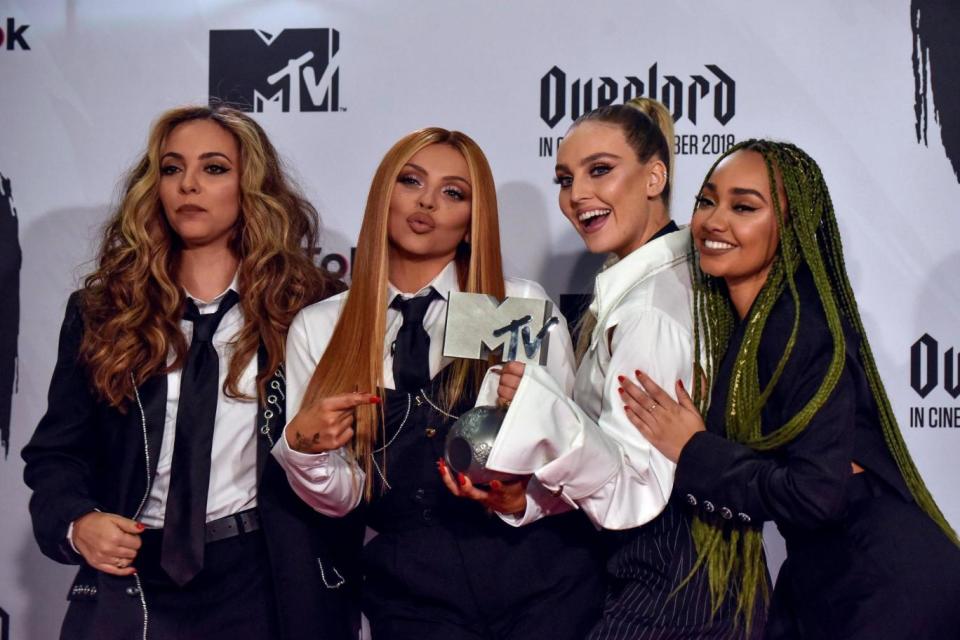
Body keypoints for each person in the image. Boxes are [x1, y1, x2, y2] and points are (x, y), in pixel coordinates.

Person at [22, 105, 359, 640]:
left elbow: (348, 464)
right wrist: (77, 522)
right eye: (172, 168)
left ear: (251, 185)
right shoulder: (103, 310)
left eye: (214, 168)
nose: (189, 185)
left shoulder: (312, 308)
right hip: (133, 577)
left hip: (264, 576)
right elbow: (57, 454)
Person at [272, 127, 604, 640]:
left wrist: (522, 499)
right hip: (412, 595)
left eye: (453, 193)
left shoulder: (514, 307)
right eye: (410, 181)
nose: (426, 201)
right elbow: (341, 497)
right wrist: (303, 447)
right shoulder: (324, 326)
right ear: (384, 194)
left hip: (543, 580)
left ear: (474, 221)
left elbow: (575, 458)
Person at [619, 139, 960, 638]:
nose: (715, 220)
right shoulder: (742, 327)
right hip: (824, 579)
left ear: (790, 226)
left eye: (744, 207)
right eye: (707, 200)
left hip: (886, 583)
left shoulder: (801, 329)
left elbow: (815, 494)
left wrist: (695, 449)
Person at [479, 98, 745, 639]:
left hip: (673, 583)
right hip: (655, 576)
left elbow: (637, 491)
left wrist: (540, 409)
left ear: (655, 176)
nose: (576, 195)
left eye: (599, 170)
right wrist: (530, 499)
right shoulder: (643, 290)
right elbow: (621, 459)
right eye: (564, 178)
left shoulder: (652, 309)